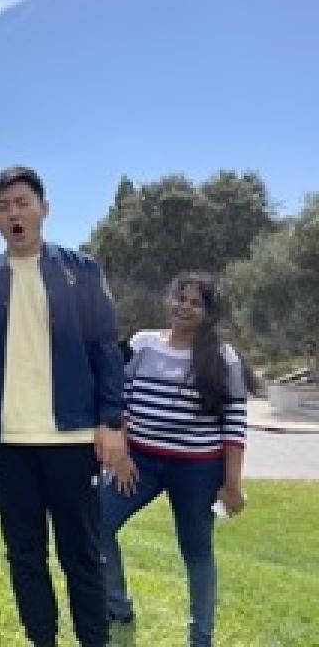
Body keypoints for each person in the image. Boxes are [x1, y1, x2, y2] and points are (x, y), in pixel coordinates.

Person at [0, 165, 126, 647]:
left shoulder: (81, 271)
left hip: (71, 438)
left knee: (82, 554)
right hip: (4, 443)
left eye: (22, 203)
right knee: (24, 554)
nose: (14, 214)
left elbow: (106, 347)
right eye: (3, 207)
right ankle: (41, 639)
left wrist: (112, 421)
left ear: (44, 209)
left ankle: (94, 640)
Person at [101, 272, 247, 647]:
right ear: (170, 301)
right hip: (139, 464)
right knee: (96, 524)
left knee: (196, 551)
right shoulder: (142, 344)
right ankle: (117, 607)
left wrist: (232, 485)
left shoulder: (222, 357)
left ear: (207, 312)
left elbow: (234, 425)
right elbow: (118, 399)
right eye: (180, 298)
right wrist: (120, 453)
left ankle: (201, 637)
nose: (185, 307)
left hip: (198, 469)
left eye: (196, 302)